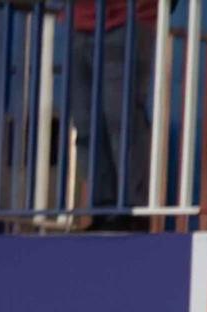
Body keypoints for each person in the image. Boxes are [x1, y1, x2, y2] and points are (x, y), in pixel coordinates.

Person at [69, 0, 154, 216]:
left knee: (121, 119)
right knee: (86, 121)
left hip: (128, 18)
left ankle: (131, 209)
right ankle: (103, 208)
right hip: (80, 21)